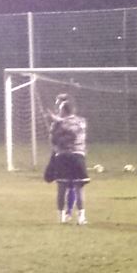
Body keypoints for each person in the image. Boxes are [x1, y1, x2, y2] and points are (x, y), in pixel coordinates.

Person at [44, 94, 90, 225]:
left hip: (62, 156)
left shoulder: (57, 124)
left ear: (63, 111)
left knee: (62, 187)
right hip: (78, 156)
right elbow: (74, 130)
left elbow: (53, 140)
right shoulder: (81, 122)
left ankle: (62, 217)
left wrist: (56, 121)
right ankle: (81, 217)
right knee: (78, 188)